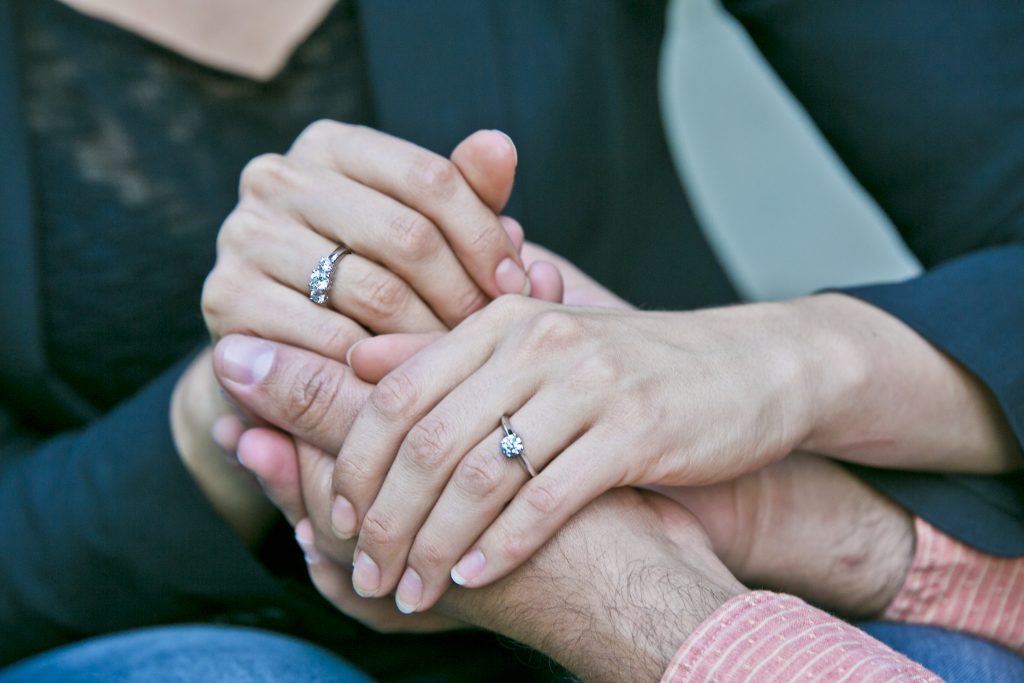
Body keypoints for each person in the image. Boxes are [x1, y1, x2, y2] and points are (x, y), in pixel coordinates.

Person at [1, 0, 1021, 680]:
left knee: (955, 662)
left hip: (709, 529)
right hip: (173, 620)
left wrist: (792, 362)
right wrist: (233, 408)